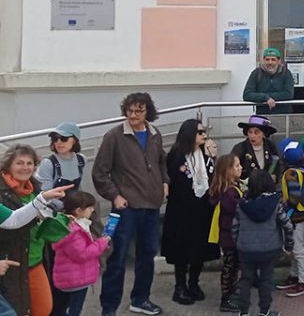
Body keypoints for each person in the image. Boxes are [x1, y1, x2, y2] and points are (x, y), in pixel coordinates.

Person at [92, 92, 168, 316]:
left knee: (147, 256)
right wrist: (114, 195)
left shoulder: (155, 134)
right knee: (117, 259)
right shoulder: (114, 136)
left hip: (152, 207)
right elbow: (100, 172)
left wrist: (165, 182)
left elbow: (161, 162)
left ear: (148, 112)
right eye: (129, 110)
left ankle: (141, 299)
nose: (133, 115)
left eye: (138, 111)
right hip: (126, 209)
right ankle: (109, 308)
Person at [0, 144, 73, 316]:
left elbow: (42, 213)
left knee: (43, 309)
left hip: (35, 259)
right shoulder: (3, 192)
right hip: (10, 265)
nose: (25, 167)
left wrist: (56, 218)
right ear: (8, 164)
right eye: (19, 163)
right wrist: (41, 201)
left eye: (29, 163)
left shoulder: (35, 186)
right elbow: (13, 220)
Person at [161, 119, 220, 306]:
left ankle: (194, 283)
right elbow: (174, 179)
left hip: (202, 208)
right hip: (181, 210)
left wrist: (213, 157)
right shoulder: (177, 155)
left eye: (204, 132)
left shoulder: (204, 153)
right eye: (200, 132)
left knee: (200, 248)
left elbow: (211, 177)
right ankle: (180, 286)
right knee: (181, 250)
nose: (204, 135)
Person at [35, 122, 89, 316]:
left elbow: (79, 188)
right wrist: (68, 210)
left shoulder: (81, 160)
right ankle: (55, 309)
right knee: (56, 267)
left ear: (75, 140)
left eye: (64, 138)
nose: (59, 142)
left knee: (72, 264)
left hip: (74, 220)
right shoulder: (48, 163)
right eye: (55, 139)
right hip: (55, 220)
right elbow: (44, 194)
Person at [233, 170, 293, 316]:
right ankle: (264, 311)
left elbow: (234, 227)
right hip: (270, 248)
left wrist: (238, 243)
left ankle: (243, 312)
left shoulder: (241, 204)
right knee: (266, 280)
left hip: (246, 249)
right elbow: (287, 225)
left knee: (245, 280)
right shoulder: (275, 203)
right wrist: (288, 246)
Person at [50, 191, 111, 316]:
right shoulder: (74, 231)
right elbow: (82, 254)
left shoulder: (68, 226)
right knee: (74, 310)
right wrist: (101, 243)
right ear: (78, 210)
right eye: (89, 208)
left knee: (64, 308)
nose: (92, 210)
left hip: (71, 278)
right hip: (76, 280)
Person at [276, 139, 304, 297]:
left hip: (297, 217)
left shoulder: (290, 174)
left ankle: (303, 281)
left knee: (298, 249)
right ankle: (294, 275)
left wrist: (285, 210)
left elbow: (293, 199)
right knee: (295, 248)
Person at [208, 154, 245, 313]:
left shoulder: (232, 188)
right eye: (236, 166)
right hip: (229, 235)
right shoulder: (229, 193)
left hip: (232, 235)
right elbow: (238, 209)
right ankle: (226, 298)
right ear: (228, 170)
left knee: (234, 265)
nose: (240, 168)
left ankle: (231, 292)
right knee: (230, 266)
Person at [242, 47, 295, 115]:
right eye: (267, 59)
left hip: (283, 115)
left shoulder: (286, 73)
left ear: (279, 61)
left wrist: (268, 97)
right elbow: (247, 95)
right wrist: (265, 98)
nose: (270, 62)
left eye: (273, 60)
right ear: (263, 60)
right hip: (263, 115)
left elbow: (288, 94)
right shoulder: (256, 73)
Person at [231, 115, 282, 182]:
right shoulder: (240, 148)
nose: (252, 136)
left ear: (263, 134)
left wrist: (274, 176)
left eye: (256, 132)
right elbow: (231, 167)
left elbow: (277, 165)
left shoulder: (270, 146)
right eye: (250, 132)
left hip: (267, 187)